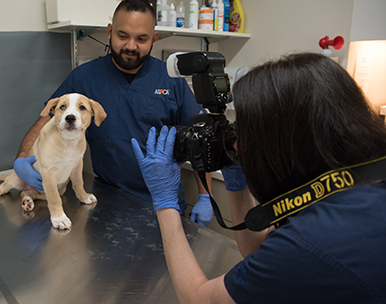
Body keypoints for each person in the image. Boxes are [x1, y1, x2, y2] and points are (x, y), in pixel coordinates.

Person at [133, 52, 386, 303]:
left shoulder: (312, 243)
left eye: (247, 133)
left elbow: (201, 300)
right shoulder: (359, 190)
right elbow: (261, 251)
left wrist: (165, 202)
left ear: (283, 145)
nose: (238, 145)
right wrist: (237, 182)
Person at [14, 0, 214, 224]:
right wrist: (22, 160)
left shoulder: (172, 79)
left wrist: (206, 196)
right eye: (122, 36)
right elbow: (45, 122)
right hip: (109, 201)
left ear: (154, 39)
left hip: (165, 204)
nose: (130, 46)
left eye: (141, 39)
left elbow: (200, 137)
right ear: (109, 32)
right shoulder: (84, 78)